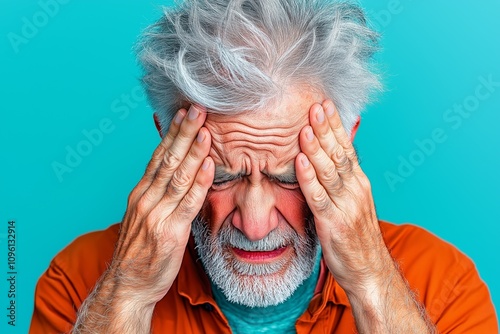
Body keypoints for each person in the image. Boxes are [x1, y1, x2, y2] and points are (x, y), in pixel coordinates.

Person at [30, 0, 497, 333]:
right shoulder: (79, 282)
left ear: (345, 144)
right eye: (224, 174)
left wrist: (373, 283)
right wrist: (127, 295)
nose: (254, 226)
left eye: (289, 176)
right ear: (168, 145)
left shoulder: (444, 284)